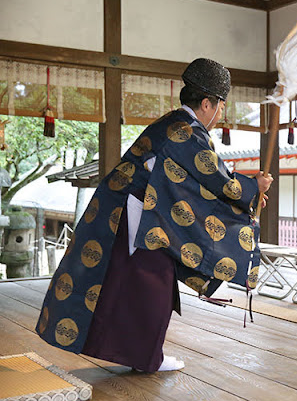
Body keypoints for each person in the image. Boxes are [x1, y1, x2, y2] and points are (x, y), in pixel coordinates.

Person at [36, 58, 273, 372]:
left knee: (130, 284)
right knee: (152, 286)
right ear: (207, 103)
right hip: (138, 215)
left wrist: (249, 191)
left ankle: (137, 356)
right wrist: (253, 187)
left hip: (130, 212)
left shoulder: (174, 124)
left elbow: (191, 183)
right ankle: (146, 359)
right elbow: (217, 181)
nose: (220, 115)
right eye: (220, 106)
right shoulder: (186, 131)